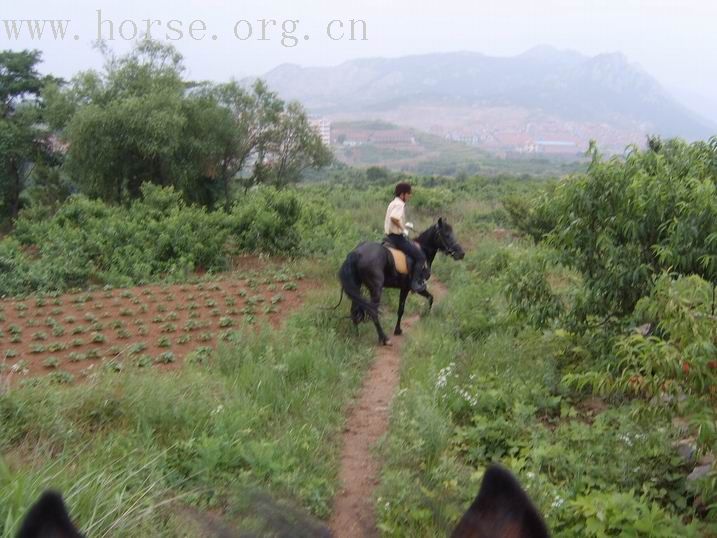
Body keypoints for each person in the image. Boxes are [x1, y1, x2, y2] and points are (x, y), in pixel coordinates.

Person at [384, 182, 428, 292]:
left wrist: (404, 225)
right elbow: (394, 218)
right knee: (421, 257)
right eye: (409, 193)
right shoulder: (399, 204)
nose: (410, 196)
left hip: (389, 236)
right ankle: (414, 283)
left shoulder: (393, 203)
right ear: (402, 194)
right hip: (397, 238)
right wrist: (402, 229)